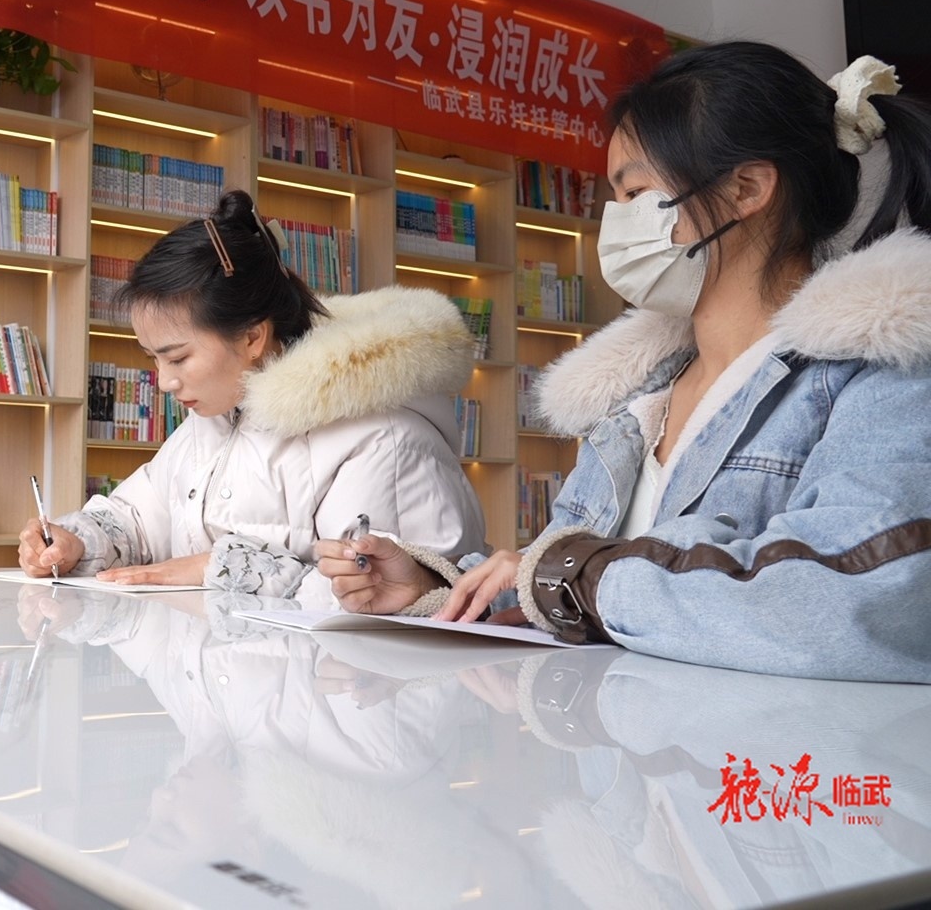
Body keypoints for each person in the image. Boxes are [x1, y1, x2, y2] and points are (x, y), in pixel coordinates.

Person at [321, 43, 931, 683]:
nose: (615, 222)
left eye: (636, 192)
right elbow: (565, 592)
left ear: (747, 188)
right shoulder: (635, 402)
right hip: (616, 742)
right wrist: (432, 591)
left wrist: (569, 575)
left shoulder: (882, 376)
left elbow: (864, 601)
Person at [15, 189, 486, 606]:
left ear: (253, 337)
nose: (163, 382)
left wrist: (220, 567)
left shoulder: (383, 437)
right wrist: (77, 541)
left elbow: (379, 597)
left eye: (177, 358)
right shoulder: (215, 420)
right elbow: (140, 517)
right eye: (153, 358)